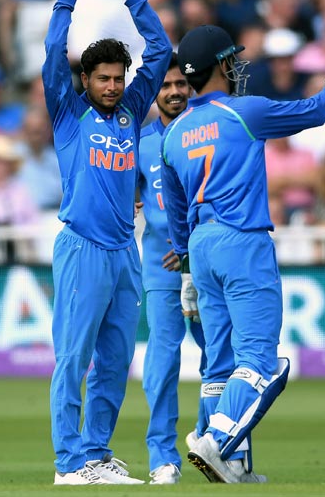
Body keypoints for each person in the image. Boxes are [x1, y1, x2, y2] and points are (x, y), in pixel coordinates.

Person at [160, 20, 325, 483]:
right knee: (259, 359)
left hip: (202, 248)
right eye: (231, 60)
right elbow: (317, 111)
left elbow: (176, 211)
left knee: (219, 361)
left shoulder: (173, 134)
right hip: (243, 241)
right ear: (218, 65)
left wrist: (188, 270)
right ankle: (215, 439)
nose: (237, 66)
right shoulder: (243, 112)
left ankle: (234, 466)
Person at [43, 0, 172, 485]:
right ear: (87, 80)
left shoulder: (129, 113)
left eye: (119, 78)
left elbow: (161, 52)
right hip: (82, 249)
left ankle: (95, 453)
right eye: (104, 78)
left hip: (125, 253)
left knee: (116, 364)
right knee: (74, 360)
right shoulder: (69, 116)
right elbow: (54, 55)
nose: (114, 86)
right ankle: (68, 463)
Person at [137, 53, 206, 484]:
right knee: (163, 358)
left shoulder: (206, 133)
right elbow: (123, 192)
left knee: (219, 356)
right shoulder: (141, 142)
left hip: (203, 263)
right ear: (154, 91)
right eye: (166, 86)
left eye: (181, 84)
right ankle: (163, 456)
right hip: (160, 266)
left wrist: (190, 249)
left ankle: (216, 443)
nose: (175, 92)